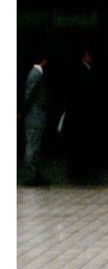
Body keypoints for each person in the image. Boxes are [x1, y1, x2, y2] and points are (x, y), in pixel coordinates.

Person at [62, 50, 97, 181]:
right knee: (79, 143)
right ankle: (78, 170)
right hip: (81, 114)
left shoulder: (81, 71)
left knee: (79, 143)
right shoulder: (81, 72)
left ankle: (79, 169)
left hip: (80, 114)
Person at [21, 53, 48, 185]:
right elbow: (29, 96)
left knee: (34, 146)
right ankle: (31, 175)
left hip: (35, 116)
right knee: (32, 146)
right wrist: (23, 112)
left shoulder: (35, 74)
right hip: (34, 116)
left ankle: (34, 174)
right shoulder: (35, 74)